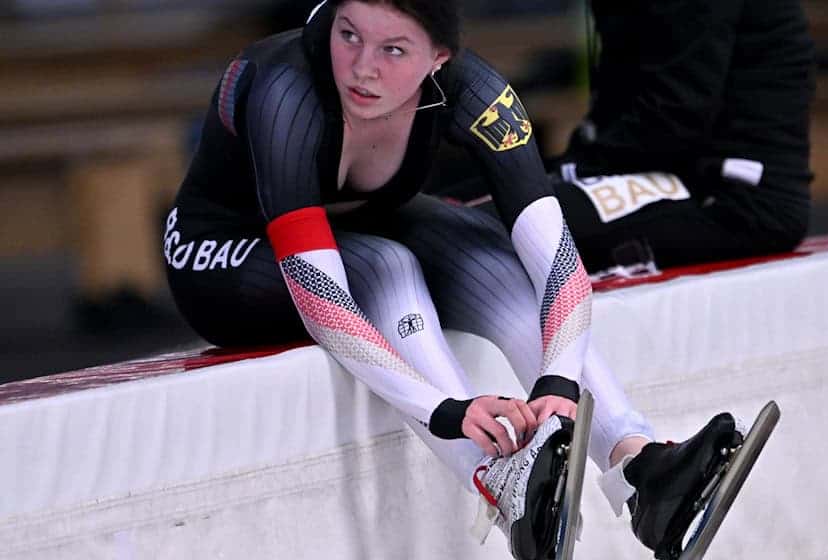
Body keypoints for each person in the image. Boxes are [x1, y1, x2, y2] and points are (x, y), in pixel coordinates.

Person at [163, 1, 741, 557]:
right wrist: (448, 409)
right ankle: (494, 478)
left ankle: (642, 469)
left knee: (494, 256)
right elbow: (322, 298)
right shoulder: (286, 88)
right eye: (349, 35)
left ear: (440, 58)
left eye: (393, 49)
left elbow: (558, 263)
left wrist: (558, 384)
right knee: (388, 266)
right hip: (222, 251)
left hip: (363, 225)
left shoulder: (477, 93)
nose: (363, 68)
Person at [548, 0, 816, 275]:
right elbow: (623, 107)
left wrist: (576, 168)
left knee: (528, 228)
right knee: (521, 211)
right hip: (681, 175)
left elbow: (676, 116)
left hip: (737, 198)